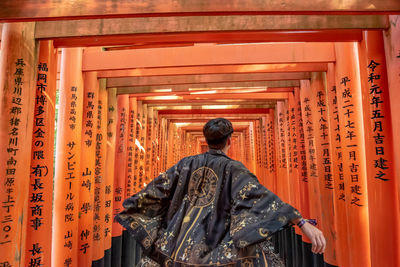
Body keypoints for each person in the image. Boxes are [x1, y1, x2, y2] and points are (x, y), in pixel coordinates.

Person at [115, 118, 326, 266]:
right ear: (230, 141)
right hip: (217, 248)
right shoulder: (235, 169)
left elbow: (158, 190)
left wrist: (131, 207)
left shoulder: (186, 164)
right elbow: (263, 199)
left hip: (179, 246)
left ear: (207, 140)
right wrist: (301, 222)